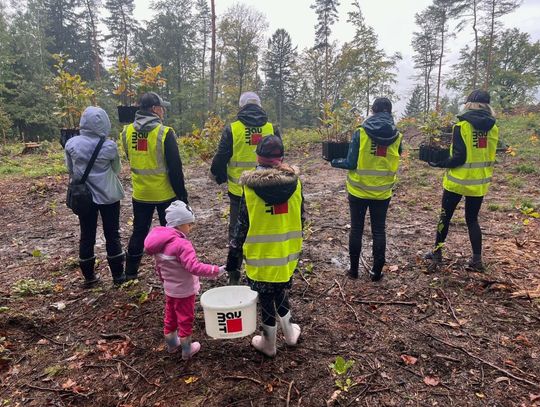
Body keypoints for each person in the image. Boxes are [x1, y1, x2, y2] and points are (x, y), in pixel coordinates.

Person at [225, 136, 304, 357]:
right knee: (279, 288)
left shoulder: (250, 189)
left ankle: (269, 344)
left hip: (260, 256)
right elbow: (302, 217)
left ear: (258, 156)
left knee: (266, 296)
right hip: (287, 253)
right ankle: (289, 333)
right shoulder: (296, 184)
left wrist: (233, 256)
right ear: (281, 158)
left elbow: (241, 226)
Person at [210, 92, 281, 284]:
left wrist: (218, 175)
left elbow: (221, 157)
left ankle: (234, 276)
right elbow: (280, 157)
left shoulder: (232, 129)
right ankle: (264, 273)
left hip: (239, 192)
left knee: (237, 233)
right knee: (264, 230)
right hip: (267, 189)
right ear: (259, 105)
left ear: (241, 107)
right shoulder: (271, 128)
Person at [424, 90, 499, 271]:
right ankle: (477, 260)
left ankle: (437, 253)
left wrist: (440, 163)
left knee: (445, 216)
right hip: (479, 182)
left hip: (457, 181)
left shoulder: (462, 126)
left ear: (468, 104)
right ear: (487, 106)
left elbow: (459, 157)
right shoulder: (494, 128)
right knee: (472, 219)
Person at [331, 98, 402, 282]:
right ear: (389, 112)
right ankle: (376, 273)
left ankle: (353, 271)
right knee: (379, 230)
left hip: (358, 191)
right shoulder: (397, 136)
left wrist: (333, 161)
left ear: (373, 110)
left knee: (356, 229)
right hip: (382, 192)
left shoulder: (361, 133)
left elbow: (350, 163)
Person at [144, 200, 225, 359]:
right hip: (185, 291)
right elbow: (194, 267)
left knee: (171, 315)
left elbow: (159, 267)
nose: (190, 228)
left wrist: (164, 281)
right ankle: (187, 349)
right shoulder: (182, 244)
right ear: (180, 224)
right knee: (185, 318)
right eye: (189, 224)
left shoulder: (160, 243)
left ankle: (172, 344)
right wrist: (216, 270)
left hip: (170, 288)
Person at [121, 92, 189, 281]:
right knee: (171, 234)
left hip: (141, 193)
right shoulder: (164, 133)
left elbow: (130, 157)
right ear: (154, 109)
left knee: (139, 231)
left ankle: (130, 273)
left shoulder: (127, 132)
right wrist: (182, 196)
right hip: (165, 194)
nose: (164, 111)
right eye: (162, 107)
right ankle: (173, 271)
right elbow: (175, 168)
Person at [65, 106, 125, 287]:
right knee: (112, 234)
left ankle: (89, 276)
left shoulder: (72, 144)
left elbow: (70, 170)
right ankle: (118, 276)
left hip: (84, 198)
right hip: (109, 196)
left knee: (87, 235)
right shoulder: (109, 146)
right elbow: (116, 169)